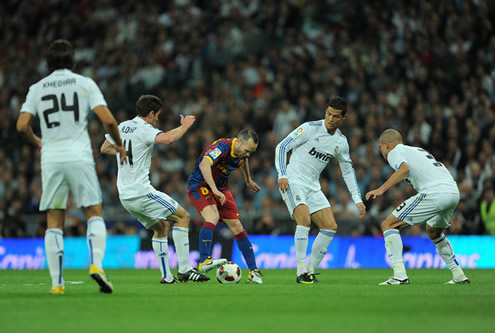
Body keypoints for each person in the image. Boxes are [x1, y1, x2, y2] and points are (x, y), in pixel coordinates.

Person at [16, 39, 127, 295]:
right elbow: (108, 120)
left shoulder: (37, 88)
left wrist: (37, 142)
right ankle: (97, 265)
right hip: (79, 155)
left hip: (51, 157)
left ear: (49, 62)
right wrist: (119, 145)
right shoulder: (84, 83)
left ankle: (57, 283)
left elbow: (22, 126)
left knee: (54, 218)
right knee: (93, 211)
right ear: (72, 61)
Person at [100, 95, 209, 283]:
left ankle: (167, 277)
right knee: (183, 217)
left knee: (161, 227)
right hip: (141, 192)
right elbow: (167, 139)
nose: (157, 118)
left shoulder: (123, 126)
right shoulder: (145, 129)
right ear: (151, 114)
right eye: (157, 115)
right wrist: (185, 126)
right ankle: (184, 270)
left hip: (125, 195)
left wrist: (123, 152)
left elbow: (104, 148)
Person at [275, 97, 366, 284]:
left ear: (344, 118)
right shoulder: (309, 128)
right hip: (293, 180)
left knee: (330, 227)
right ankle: (300, 272)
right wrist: (282, 174)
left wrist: (357, 198)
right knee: (304, 219)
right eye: (328, 114)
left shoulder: (341, 142)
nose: (330, 119)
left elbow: (347, 170)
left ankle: (309, 270)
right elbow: (282, 146)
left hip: (313, 186)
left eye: (335, 116)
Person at [366, 128, 470, 285]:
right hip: (453, 191)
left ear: (387, 144)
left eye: (380, 147)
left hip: (435, 192)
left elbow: (404, 169)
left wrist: (381, 189)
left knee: (388, 224)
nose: (381, 152)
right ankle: (458, 275)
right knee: (433, 232)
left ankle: (399, 275)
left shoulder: (395, 151)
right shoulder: (415, 150)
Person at [187, 128, 263, 284]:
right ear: (239, 141)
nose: (248, 154)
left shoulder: (241, 153)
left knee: (237, 226)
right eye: (247, 150)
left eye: (251, 152)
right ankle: (204, 261)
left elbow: (243, 160)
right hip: (201, 185)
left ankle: (254, 272)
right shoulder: (221, 147)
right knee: (212, 216)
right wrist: (214, 189)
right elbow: (204, 165)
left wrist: (248, 179)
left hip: (221, 189)